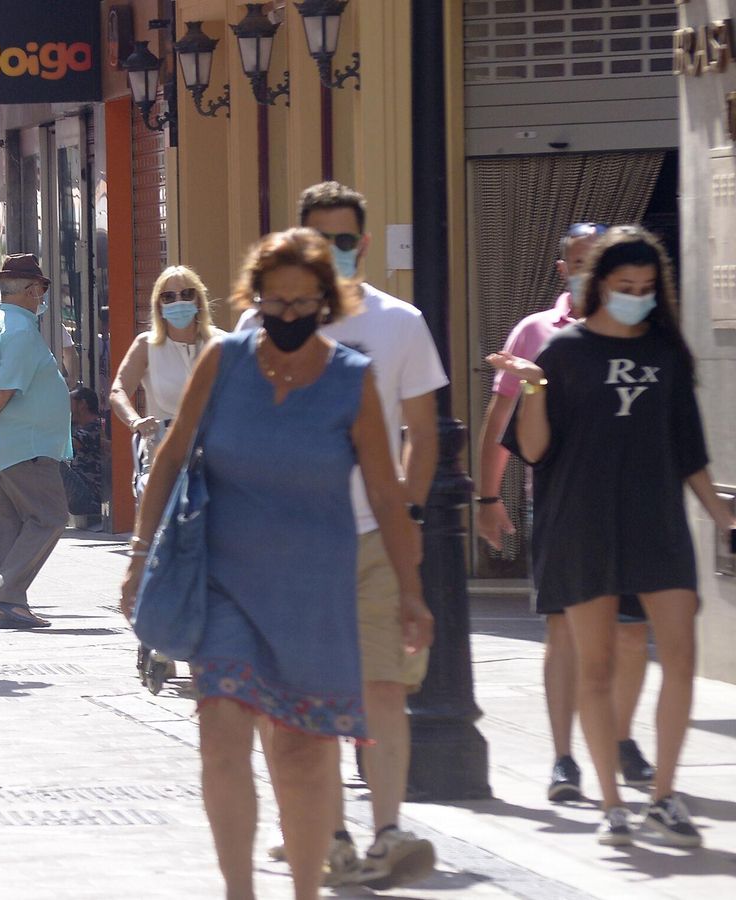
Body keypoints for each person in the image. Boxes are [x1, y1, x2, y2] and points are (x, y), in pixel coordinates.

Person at [120, 229, 428, 900]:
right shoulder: (222, 362)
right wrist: (140, 555)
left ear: (327, 301)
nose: (288, 316)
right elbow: (172, 456)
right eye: (275, 302)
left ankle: (305, 892)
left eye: (303, 303)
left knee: (301, 752)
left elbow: (385, 492)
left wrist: (411, 592)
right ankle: (239, 891)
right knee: (222, 736)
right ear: (252, 299)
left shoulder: (352, 379)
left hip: (317, 594)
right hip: (225, 583)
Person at [236, 182, 446, 887]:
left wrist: (407, 520)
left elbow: (421, 431)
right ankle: (326, 833)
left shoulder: (399, 323)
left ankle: (387, 829)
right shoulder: (258, 329)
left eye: (348, 241)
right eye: (324, 242)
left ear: (363, 241)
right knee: (302, 698)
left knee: (384, 687)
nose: (338, 252)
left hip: (373, 536)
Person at [491, 225, 727, 849]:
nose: (636, 296)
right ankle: (613, 803)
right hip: (584, 524)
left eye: (647, 288)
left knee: (677, 658)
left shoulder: (668, 351)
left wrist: (724, 517)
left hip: (658, 525)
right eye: (624, 286)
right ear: (598, 284)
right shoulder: (563, 353)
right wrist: (534, 388)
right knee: (593, 666)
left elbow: (689, 451)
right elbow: (535, 449)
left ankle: (665, 796)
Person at [475, 221, 656, 804]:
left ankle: (621, 739)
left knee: (631, 637)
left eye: (594, 263)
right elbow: (499, 422)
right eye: (576, 262)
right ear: (562, 269)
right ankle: (563, 758)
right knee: (564, 634)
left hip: (630, 505)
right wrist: (487, 497)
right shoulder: (536, 331)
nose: (585, 273)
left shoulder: (635, 328)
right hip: (556, 501)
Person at [0, 254, 71, 629]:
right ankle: (4, 592)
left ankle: (8, 602)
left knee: (11, 525)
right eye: (42, 290)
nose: (42, 297)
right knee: (50, 517)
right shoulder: (19, 330)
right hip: (26, 445)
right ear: (33, 290)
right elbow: (5, 388)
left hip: (7, 445)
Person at [109, 265, 224, 504]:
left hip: (216, 449)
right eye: (168, 296)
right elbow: (118, 390)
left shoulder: (222, 342)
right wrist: (135, 421)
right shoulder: (147, 345)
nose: (178, 302)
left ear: (199, 300)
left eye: (186, 294)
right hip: (163, 450)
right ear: (158, 306)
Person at [62, 386, 103, 518]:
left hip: (89, 497)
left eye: (69, 401)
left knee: (52, 465)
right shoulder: (79, 427)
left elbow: (65, 447)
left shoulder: (96, 427)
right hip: (81, 493)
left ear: (82, 404)